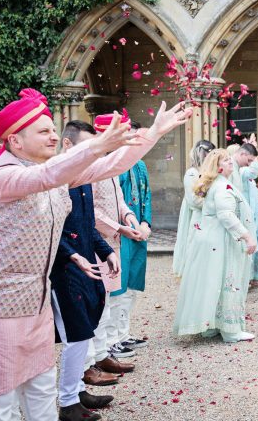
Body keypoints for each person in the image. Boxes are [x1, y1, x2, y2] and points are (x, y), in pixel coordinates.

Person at [0, 89, 190, 420]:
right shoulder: (2, 175)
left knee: (40, 389)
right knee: (0, 400)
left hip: (35, 301)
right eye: (44, 131)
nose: (54, 134)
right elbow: (44, 177)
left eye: (53, 128)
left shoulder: (52, 170)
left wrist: (153, 132)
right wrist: (96, 145)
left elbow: (110, 166)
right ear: (15, 141)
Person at [51, 121, 120, 421]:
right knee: (76, 335)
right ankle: (67, 403)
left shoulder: (85, 179)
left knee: (87, 327)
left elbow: (87, 224)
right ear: (68, 145)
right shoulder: (55, 179)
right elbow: (54, 231)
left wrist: (106, 251)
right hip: (64, 268)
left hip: (85, 263)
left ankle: (77, 391)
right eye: (86, 146)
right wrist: (73, 256)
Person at [174, 149, 258, 342]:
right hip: (221, 241)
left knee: (214, 281)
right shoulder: (222, 187)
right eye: (226, 160)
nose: (231, 163)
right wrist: (247, 237)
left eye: (230, 159)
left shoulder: (220, 184)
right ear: (218, 167)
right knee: (229, 279)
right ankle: (230, 330)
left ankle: (212, 325)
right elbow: (226, 215)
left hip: (213, 240)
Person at [90, 111, 142, 368]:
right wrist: (118, 228)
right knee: (101, 299)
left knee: (111, 297)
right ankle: (100, 353)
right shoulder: (92, 163)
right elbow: (91, 209)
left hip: (113, 241)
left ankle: (106, 349)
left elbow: (118, 198)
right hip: (96, 242)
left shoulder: (111, 163)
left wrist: (129, 216)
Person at [114, 120, 152, 354]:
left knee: (132, 285)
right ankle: (113, 339)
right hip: (121, 231)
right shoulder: (114, 165)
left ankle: (124, 333)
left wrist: (146, 222)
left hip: (139, 230)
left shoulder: (140, 165)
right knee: (118, 284)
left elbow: (147, 194)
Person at [228, 143, 258, 289]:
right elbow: (251, 173)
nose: (250, 163)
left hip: (252, 213)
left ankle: (253, 277)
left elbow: (247, 188)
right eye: (250, 160)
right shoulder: (238, 169)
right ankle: (244, 279)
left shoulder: (240, 169)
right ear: (242, 154)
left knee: (255, 244)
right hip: (241, 214)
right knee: (246, 245)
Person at [173, 140, 215, 277]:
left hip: (206, 213)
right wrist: (214, 204)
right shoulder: (192, 173)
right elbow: (194, 199)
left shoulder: (207, 172)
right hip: (196, 213)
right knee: (193, 242)